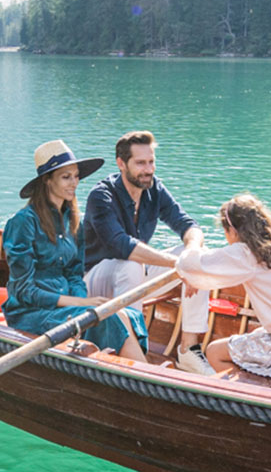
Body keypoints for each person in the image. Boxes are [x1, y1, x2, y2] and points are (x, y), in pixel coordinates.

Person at [2, 140, 146, 360]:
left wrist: (84, 304)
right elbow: (24, 291)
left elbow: (74, 275)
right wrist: (81, 304)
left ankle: (136, 368)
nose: (74, 183)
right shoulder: (23, 222)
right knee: (109, 317)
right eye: (66, 177)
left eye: (76, 176)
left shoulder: (74, 222)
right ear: (47, 180)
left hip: (65, 309)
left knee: (126, 314)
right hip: (30, 314)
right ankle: (140, 371)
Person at [175, 193, 271, 387]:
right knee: (258, 335)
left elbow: (190, 263)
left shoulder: (244, 253)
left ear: (232, 231)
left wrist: (191, 253)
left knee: (214, 352)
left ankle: (246, 393)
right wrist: (197, 279)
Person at [81, 131, 211, 363]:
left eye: (151, 162)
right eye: (141, 163)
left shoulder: (154, 189)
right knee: (132, 264)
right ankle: (135, 351)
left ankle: (189, 349)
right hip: (92, 282)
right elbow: (122, 245)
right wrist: (178, 264)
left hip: (133, 277)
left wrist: (191, 255)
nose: (149, 169)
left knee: (199, 256)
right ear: (121, 164)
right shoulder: (101, 196)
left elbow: (188, 225)